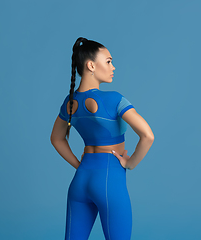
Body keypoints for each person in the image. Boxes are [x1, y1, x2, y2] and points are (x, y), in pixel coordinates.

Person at [50, 37, 154, 240]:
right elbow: (147, 135)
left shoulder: (70, 103)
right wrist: (130, 163)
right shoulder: (113, 99)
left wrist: (79, 165)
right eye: (108, 61)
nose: (113, 67)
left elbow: (56, 138)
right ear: (91, 65)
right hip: (110, 178)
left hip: (81, 180)